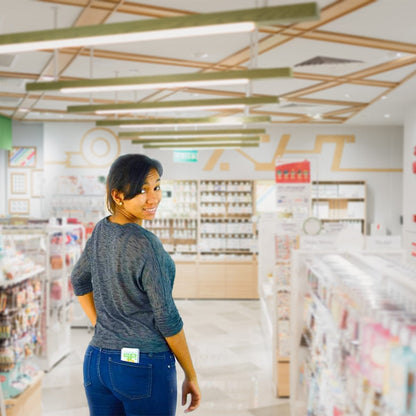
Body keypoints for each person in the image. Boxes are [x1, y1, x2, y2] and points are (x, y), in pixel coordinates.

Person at [71, 153, 201, 416]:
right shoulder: (146, 244)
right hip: (141, 366)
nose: (153, 198)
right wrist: (190, 373)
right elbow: (167, 318)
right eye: (142, 190)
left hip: (97, 361)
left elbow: (79, 280)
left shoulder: (100, 230)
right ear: (118, 196)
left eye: (157, 187)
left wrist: (103, 326)